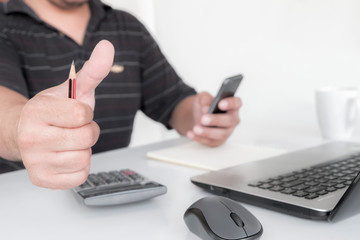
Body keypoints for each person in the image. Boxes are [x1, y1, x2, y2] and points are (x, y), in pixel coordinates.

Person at [0, 0, 242, 189]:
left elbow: (175, 102)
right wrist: (21, 126)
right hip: (25, 203)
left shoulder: (128, 27)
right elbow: (5, 109)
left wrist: (201, 117)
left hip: (116, 198)